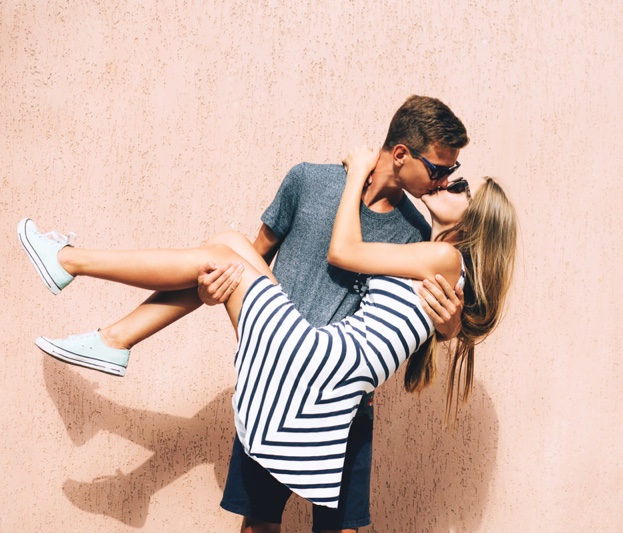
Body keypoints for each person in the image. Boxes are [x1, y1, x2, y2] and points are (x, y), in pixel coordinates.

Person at [22, 95, 474, 533]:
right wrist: (210, 293)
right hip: (278, 368)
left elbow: (408, 326)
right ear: (400, 154)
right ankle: (109, 331)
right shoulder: (310, 181)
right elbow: (252, 256)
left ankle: (93, 303)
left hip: (344, 398)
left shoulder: (417, 233)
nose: (444, 179)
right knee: (259, 522)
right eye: (439, 168)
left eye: (452, 171)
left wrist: (451, 325)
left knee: (339, 530)